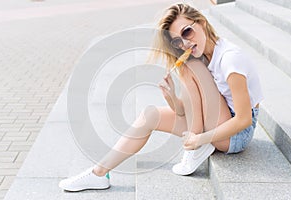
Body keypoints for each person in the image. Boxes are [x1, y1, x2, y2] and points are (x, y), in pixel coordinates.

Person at [59, 3, 263, 191]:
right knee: (150, 116)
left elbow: (243, 119)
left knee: (190, 65)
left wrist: (200, 138)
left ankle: (195, 149)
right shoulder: (201, 54)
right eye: (177, 41)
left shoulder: (230, 60)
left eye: (187, 32)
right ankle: (99, 173)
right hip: (217, 122)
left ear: (201, 22)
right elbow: (188, 110)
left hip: (236, 135)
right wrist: (172, 98)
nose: (185, 43)